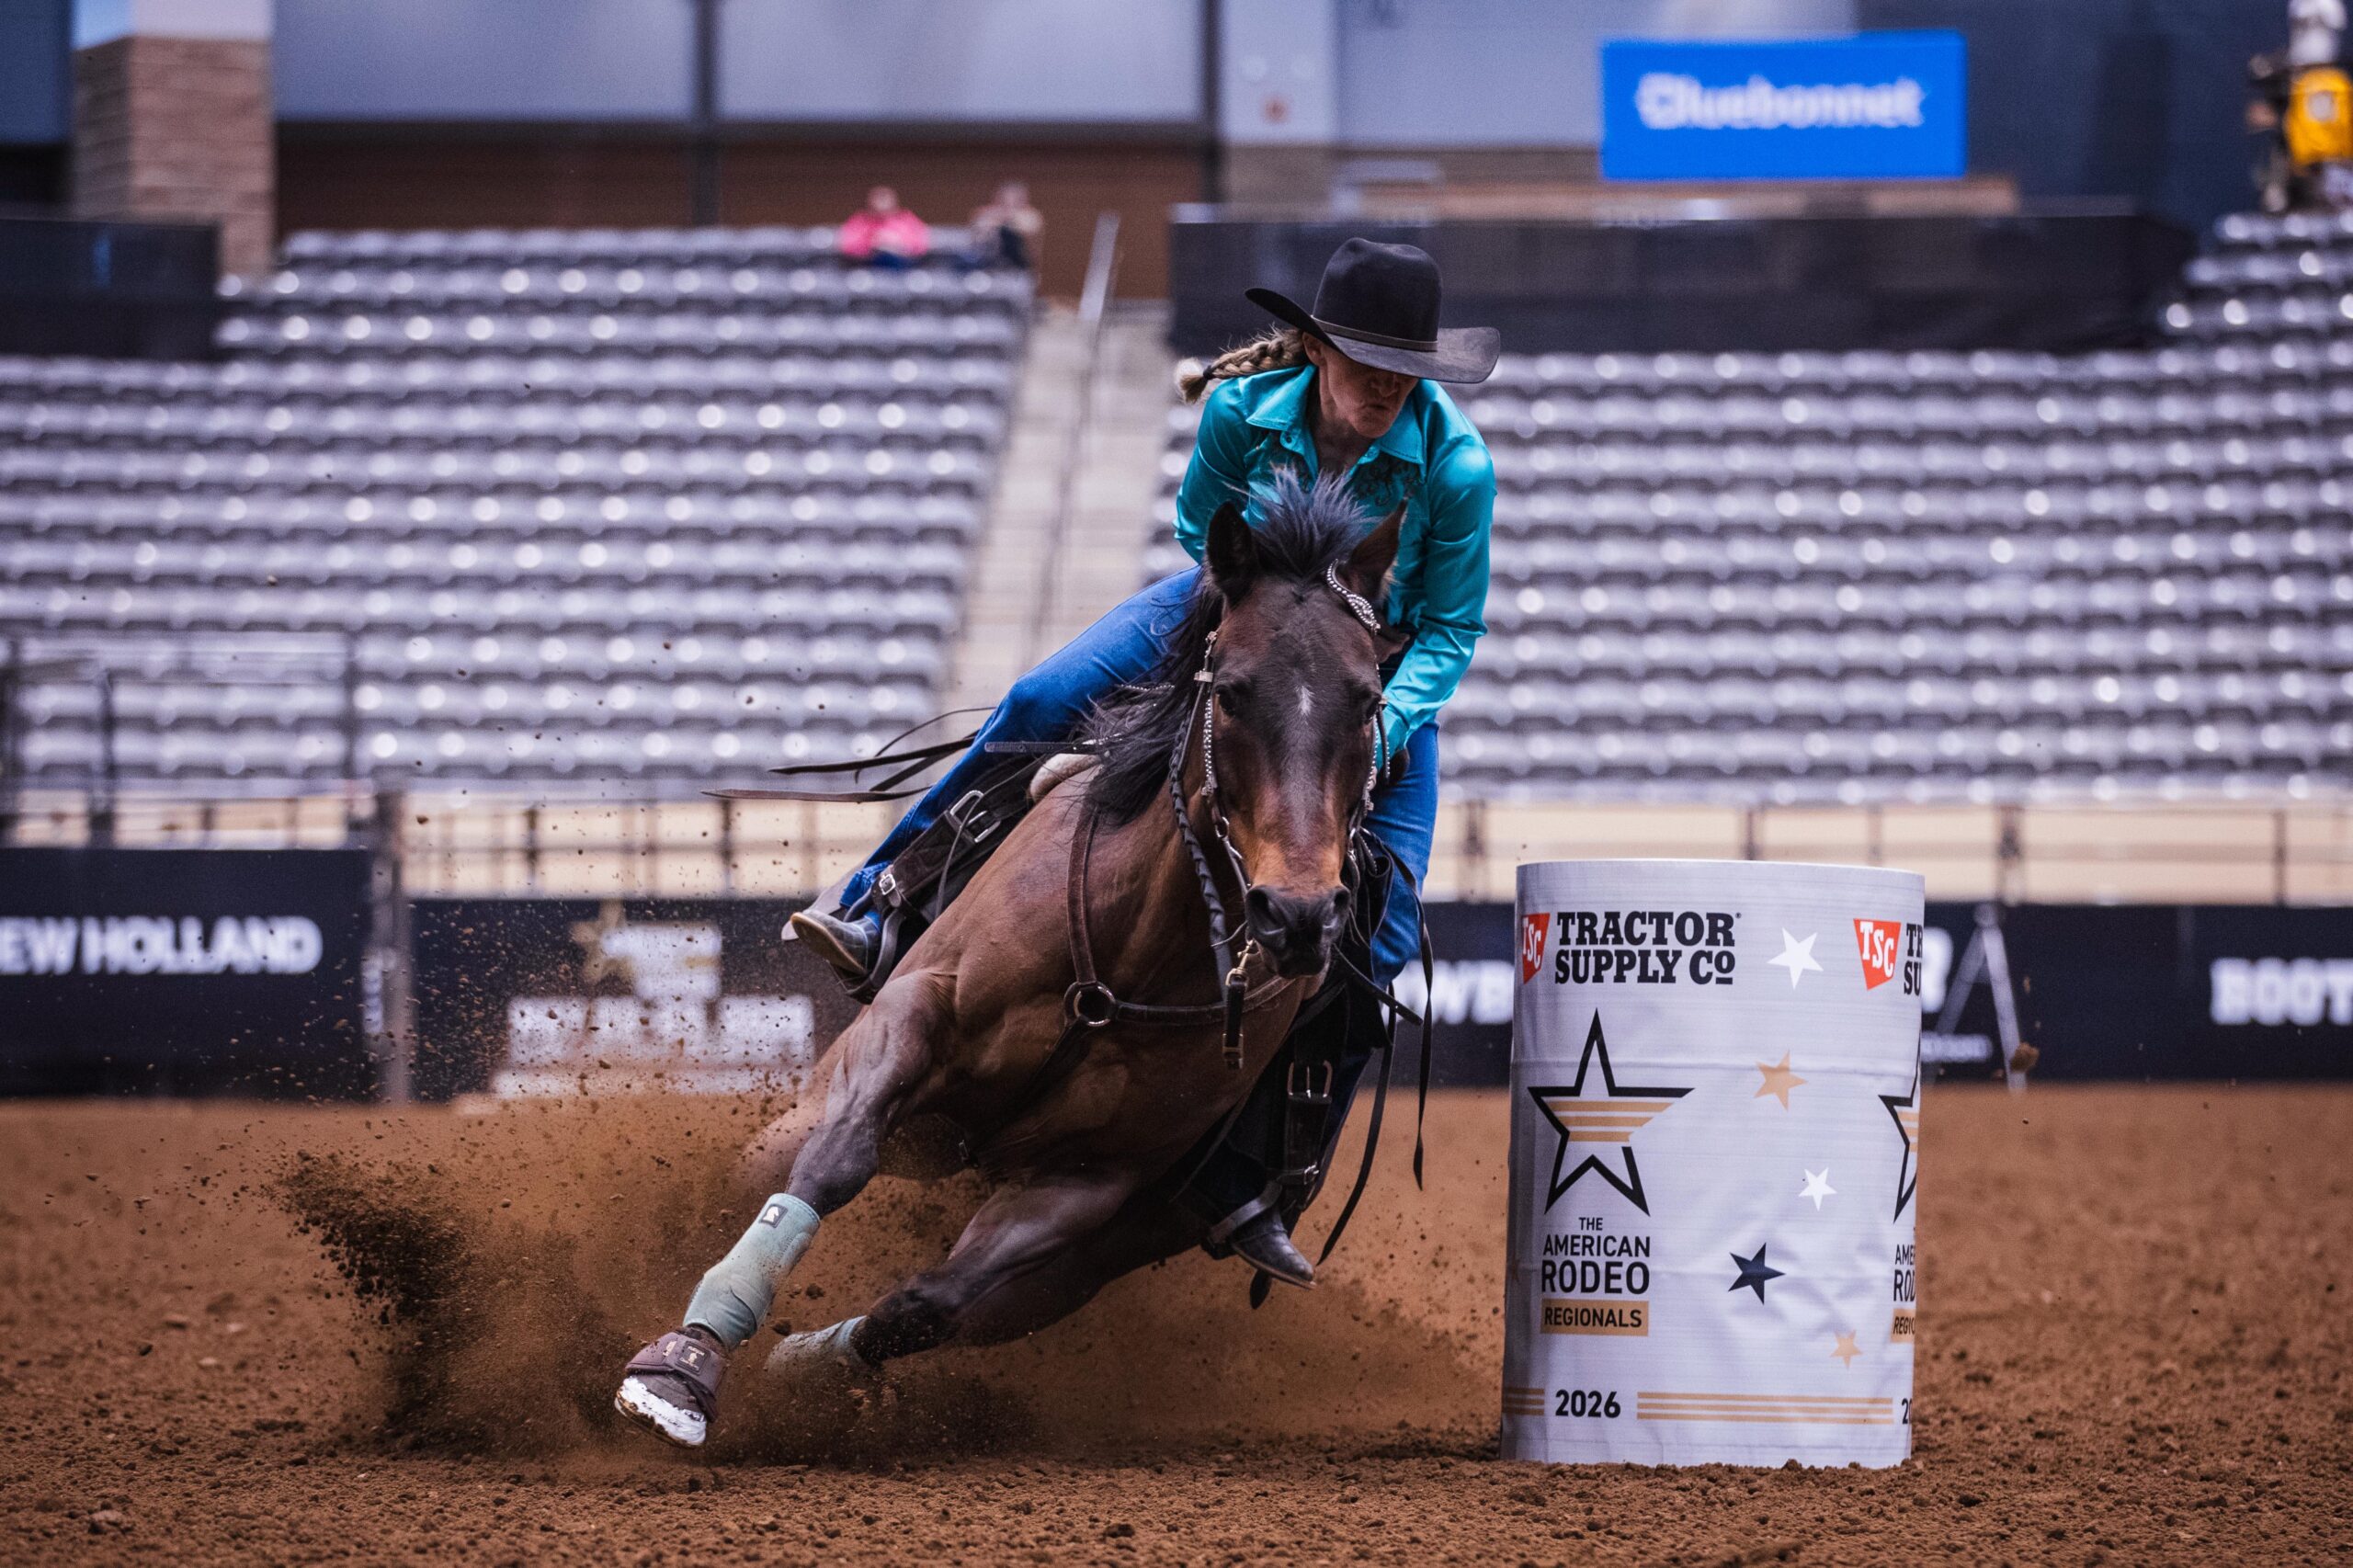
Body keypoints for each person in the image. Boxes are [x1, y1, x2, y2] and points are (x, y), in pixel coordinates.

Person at [790, 238, 1500, 1284]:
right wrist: (1256, 622)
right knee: (1038, 702)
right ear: (1315, 349)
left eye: (1406, 368)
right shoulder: (1237, 412)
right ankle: (880, 899)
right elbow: (1197, 529)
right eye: (1367, 361)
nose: (1388, 384)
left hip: (1370, 679)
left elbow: (1449, 629)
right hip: (1235, 613)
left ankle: (1253, 1173)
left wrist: (1373, 728)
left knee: (1383, 934)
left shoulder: (1457, 467)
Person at [835, 186, 930, 267]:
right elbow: (847, 246)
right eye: (878, 198)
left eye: (884, 198)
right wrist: (871, 242)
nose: (881, 202)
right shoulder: (860, 221)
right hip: (867, 265)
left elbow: (921, 246)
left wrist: (898, 243)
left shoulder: (906, 220)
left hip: (902, 266)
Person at [963, 180, 1044, 270]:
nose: (1009, 203)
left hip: (1019, 270)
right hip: (990, 268)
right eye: (1004, 199)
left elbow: (1028, 229)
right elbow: (977, 234)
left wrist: (1002, 218)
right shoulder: (989, 215)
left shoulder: (1031, 216)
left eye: (1014, 199)